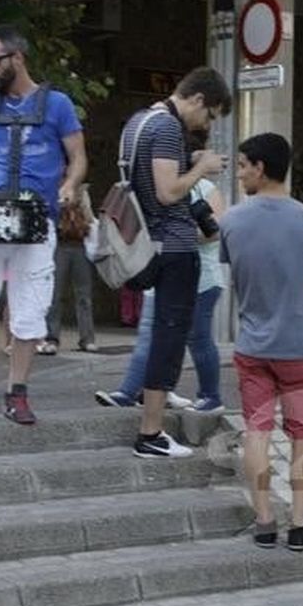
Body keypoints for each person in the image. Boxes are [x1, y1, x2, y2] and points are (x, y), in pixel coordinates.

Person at [0, 25, 85, 425]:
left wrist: (70, 185)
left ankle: (17, 391)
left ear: (17, 58)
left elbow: (78, 157)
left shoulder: (57, 104)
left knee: (30, 307)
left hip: (37, 218)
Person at [219, 133, 303, 551]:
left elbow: (237, 274)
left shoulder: (232, 221)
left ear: (260, 167)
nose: (240, 173)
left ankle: (264, 520)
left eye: (243, 165)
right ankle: (299, 526)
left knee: (257, 431)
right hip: (301, 347)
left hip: (253, 346)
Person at [117, 66, 232, 458]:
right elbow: (167, 192)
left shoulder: (139, 121)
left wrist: (188, 158)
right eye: (210, 114)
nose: (206, 124)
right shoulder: (168, 126)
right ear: (198, 99)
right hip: (175, 245)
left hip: (150, 244)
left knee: (162, 335)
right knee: (169, 339)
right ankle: (151, 433)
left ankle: (151, 431)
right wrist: (202, 168)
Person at [92, 130, 225, 414]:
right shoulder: (159, 187)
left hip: (201, 277)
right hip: (162, 270)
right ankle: (129, 392)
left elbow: (215, 231)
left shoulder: (205, 189)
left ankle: (210, 396)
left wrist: (180, 232)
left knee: (197, 337)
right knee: (149, 335)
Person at [41, 181, 97, 356]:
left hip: (80, 245)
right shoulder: (52, 187)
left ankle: (87, 338)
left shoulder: (82, 191)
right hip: (59, 244)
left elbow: (89, 218)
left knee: (84, 295)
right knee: (55, 294)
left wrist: (81, 204)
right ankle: (51, 338)